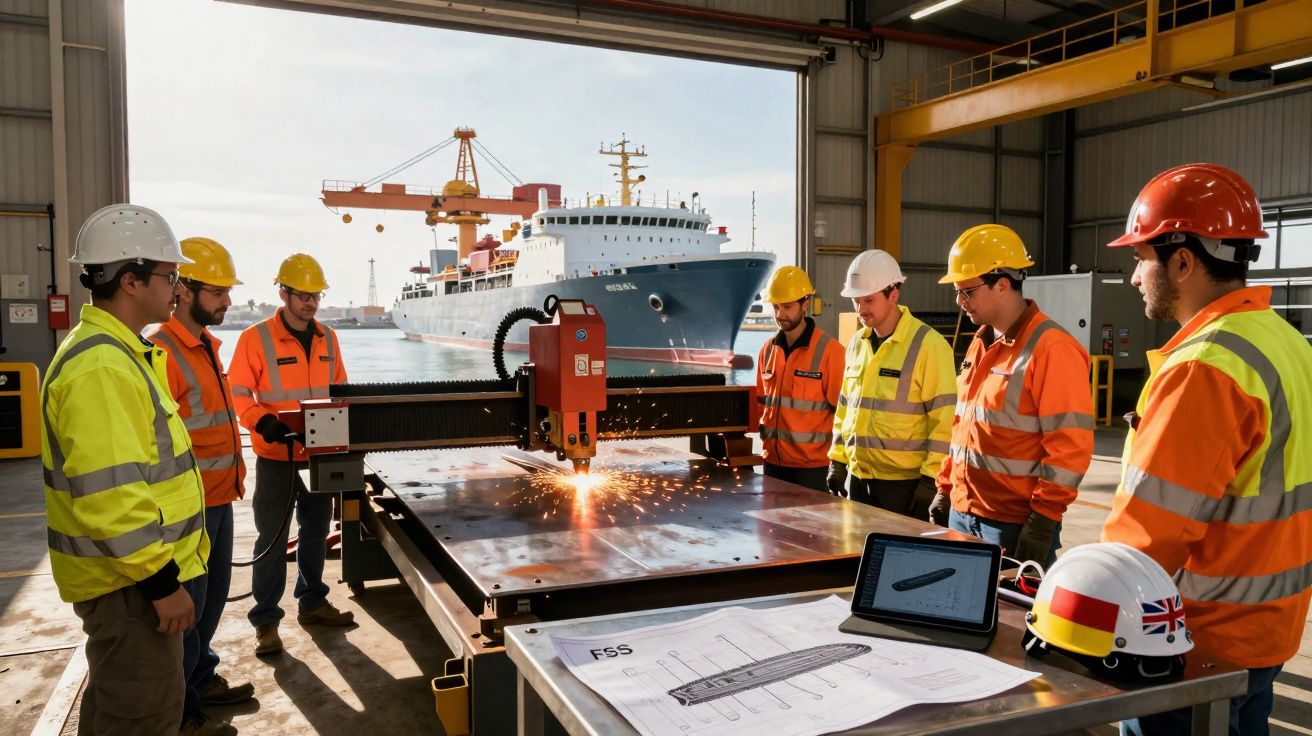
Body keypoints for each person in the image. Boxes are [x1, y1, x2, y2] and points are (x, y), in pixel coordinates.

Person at [1100, 163, 1312, 736]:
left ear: (1183, 261)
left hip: (1191, 639)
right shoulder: (1286, 342)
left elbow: (1150, 536)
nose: (1134, 277)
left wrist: (1087, 619)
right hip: (1266, 627)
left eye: (1141, 258)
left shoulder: (1204, 367)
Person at [41, 204, 209, 735]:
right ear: (131, 281)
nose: (178, 289)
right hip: (130, 586)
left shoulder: (120, 353)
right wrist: (161, 584)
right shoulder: (101, 367)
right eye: (170, 276)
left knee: (126, 708)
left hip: (130, 579)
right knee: (141, 717)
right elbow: (110, 498)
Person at [931, 224, 1093, 566]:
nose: (960, 302)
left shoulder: (1052, 349)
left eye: (967, 292)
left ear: (1002, 285)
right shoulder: (980, 343)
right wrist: (946, 488)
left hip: (1014, 525)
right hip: (964, 512)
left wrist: (1044, 519)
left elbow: (1069, 446)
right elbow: (963, 424)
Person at [148, 237, 255, 723]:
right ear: (184, 291)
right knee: (187, 616)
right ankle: (185, 715)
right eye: (218, 291)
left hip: (218, 499)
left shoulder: (207, 347)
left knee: (209, 605)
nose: (228, 301)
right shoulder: (162, 352)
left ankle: (200, 679)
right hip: (185, 511)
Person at [228, 252, 353, 657]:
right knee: (272, 538)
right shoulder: (255, 338)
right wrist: (260, 421)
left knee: (315, 532)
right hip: (276, 455)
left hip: (318, 455)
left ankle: (313, 601)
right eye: (301, 295)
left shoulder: (328, 338)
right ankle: (266, 620)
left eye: (315, 296)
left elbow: (341, 392)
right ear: (283, 292)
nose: (310, 303)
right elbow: (239, 394)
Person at [828, 250, 956, 518]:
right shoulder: (856, 344)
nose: (861, 309)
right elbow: (845, 409)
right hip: (859, 480)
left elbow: (944, 422)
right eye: (856, 301)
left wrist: (931, 481)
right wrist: (838, 461)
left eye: (869, 300)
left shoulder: (929, 346)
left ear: (893, 295)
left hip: (906, 487)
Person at [754, 266, 844, 492]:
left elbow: (844, 416)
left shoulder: (831, 352)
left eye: (787, 307)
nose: (779, 315)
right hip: (772, 464)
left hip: (813, 470)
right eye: (775, 307)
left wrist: (840, 465)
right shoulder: (767, 351)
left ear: (805, 304)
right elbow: (760, 406)